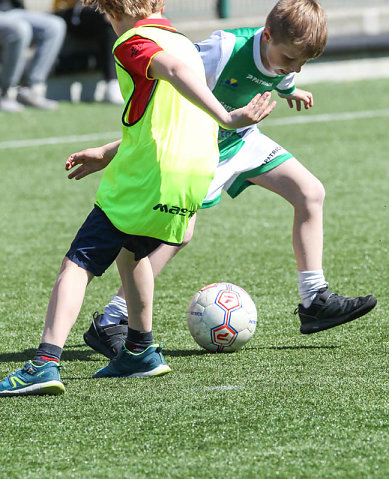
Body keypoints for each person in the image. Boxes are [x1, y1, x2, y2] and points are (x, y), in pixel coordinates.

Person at [68, 0, 377, 361]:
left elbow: (278, 74)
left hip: (244, 141)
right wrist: (108, 152)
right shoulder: (223, 48)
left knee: (310, 193)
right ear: (266, 36)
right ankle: (112, 320)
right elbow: (166, 102)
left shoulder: (285, 56)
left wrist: (290, 88)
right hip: (200, 150)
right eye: (291, 60)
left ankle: (314, 300)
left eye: (302, 63)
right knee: (179, 235)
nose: (295, 68)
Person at [0, 0, 274, 396]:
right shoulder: (182, 42)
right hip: (193, 175)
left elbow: (171, 72)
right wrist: (106, 153)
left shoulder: (134, 41)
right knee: (133, 253)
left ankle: (45, 362)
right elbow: (166, 119)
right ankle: (140, 350)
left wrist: (228, 118)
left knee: (78, 262)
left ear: (113, 12)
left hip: (149, 174)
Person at [0, 0, 66, 112]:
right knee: (20, 29)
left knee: (55, 26)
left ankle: (30, 90)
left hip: (11, 10)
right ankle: (5, 93)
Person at [53, 0, 122, 104]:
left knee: (120, 15)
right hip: (69, 10)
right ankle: (112, 83)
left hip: (100, 9)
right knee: (110, 17)